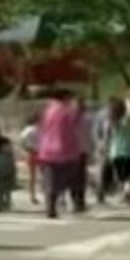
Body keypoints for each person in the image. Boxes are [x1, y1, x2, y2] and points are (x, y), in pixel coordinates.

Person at [36, 88, 84, 218]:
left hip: (46, 150)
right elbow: (76, 123)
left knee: (50, 180)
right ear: (65, 98)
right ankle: (64, 202)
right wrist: (79, 109)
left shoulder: (47, 111)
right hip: (65, 151)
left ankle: (50, 207)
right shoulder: (67, 111)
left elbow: (41, 128)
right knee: (66, 179)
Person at [108, 97, 130, 206]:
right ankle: (127, 192)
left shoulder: (113, 121)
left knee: (122, 176)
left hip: (117, 152)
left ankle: (126, 193)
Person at [92, 97, 119, 205]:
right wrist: (99, 143)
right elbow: (96, 131)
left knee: (113, 170)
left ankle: (110, 190)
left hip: (115, 146)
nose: (111, 109)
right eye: (110, 106)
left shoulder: (118, 115)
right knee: (101, 170)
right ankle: (100, 193)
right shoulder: (101, 115)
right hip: (103, 147)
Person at [73, 95, 94, 211]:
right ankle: (77, 200)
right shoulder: (70, 118)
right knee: (76, 177)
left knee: (80, 177)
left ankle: (79, 200)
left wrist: (91, 149)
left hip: (81, 151)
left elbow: (91, 135)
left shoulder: (87, 118)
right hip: (72, 151)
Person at [19, 113, 40, 205]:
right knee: (45, 174)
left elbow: (22, 140)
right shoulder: (40, 129)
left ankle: (32, 196)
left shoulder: (27, 130)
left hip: (31, 152)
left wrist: (26, 148)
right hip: (41, 152)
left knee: (32, 176)